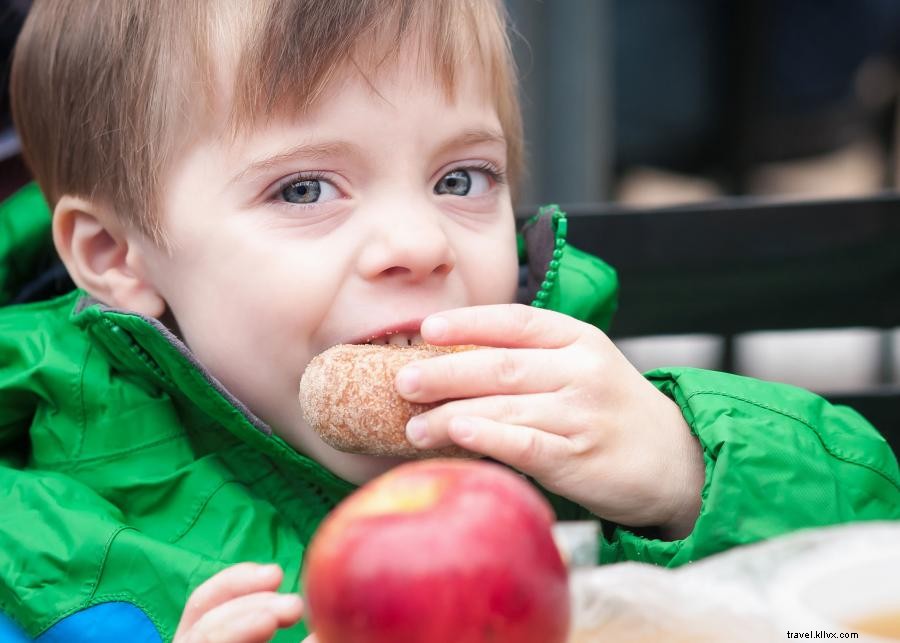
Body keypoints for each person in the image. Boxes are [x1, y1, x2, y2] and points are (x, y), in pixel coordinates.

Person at [0, 1, 897, 641]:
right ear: (119, 256)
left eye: (460, 179)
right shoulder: (39, 547)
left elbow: (864, 566)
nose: (418, 242)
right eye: (305, 188)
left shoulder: (588, 449)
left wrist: (688, 473)